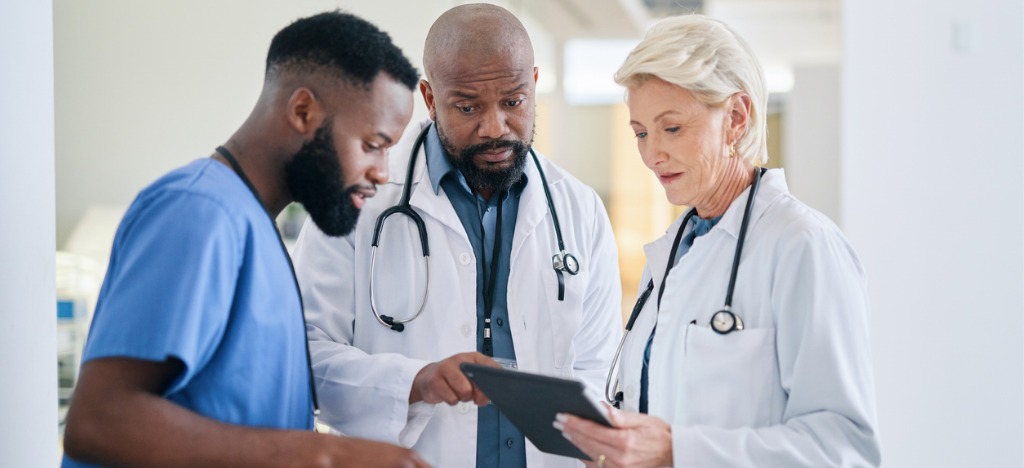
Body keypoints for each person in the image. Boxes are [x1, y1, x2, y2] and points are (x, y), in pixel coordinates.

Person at [61, 11, 430, 468]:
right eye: (373, 144)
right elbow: (100, 421)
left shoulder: (254, 224)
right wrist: (328, 454)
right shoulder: (199, 211)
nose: (382, 172)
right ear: (302, 112)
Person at [291, 3, 623, 467]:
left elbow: (597, 367)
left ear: (533, 82)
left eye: (513, 101)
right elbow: (304, 353)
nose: (495, 127)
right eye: (468, 107)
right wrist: (415, 380)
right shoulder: (358, 197)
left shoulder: (579, 209)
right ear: (429, 98)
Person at [554, 14, 881, 468]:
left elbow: (844, 449)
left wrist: (677, 451)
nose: (652, 155)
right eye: (641, 133)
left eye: (671, 128)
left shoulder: (803, 246)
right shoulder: (670, 254)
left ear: (736, 118)